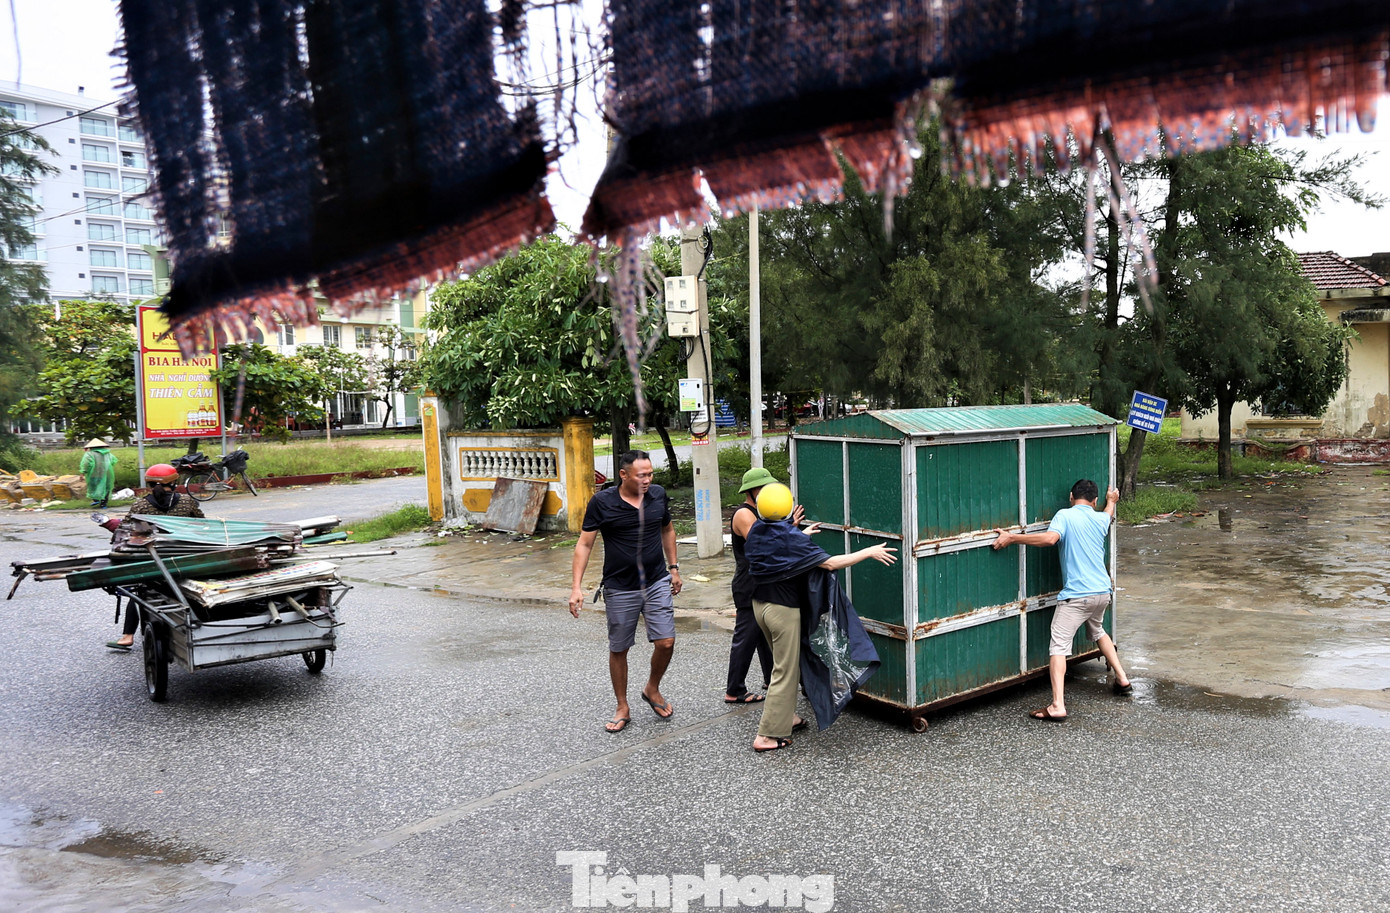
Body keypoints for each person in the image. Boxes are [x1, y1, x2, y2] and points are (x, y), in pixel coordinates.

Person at [745, 483, 897, 753]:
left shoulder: (757, 529)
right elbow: (829, 564)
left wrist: (800, 533)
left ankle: (785, 717)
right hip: (782, 610)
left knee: (784, 664)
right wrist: (868, 552)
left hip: (760, 605)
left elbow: (778, 543)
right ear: (787, 508)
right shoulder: (789, 537)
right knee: (785, 670)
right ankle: (767, 736)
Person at [992, 479, 1133, 722]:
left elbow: (1049, 539)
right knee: (1098, 630)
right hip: (1102, 592)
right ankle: (1122, 679)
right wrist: (1112, 502)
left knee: (1058, 646)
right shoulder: (1101, 519)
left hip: (1077, 596)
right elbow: (1108, 514)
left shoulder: (1065, 515)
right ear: (1095, 501)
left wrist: (1013, 538)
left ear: (1071, 496)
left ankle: (1058, 705)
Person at [569, 451, 682, 733]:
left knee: (666, 641)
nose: (647, 480)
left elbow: (667, 529)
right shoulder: (602, 503)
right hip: (620, 587)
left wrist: (674, 567)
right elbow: (584, 544)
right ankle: (622, 705)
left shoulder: (657, 495)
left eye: (650, 474)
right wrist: (576, 587)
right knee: (620, 648)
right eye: (641, 475)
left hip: (656, 581)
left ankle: (651, 688)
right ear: (623, 475)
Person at [105, 463, 205, 651]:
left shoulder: (140, 505)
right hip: (184, 558)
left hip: (152, 560)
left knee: (140, 592)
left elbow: (125, 533)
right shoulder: (187, 501)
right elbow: (202, 526)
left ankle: (127, 636)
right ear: (174, 483)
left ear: (150, 484)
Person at [723, 467, 778, 704]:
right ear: (752, 490)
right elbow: (763, 545)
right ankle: (734, 690)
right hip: (748, 584)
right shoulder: (744, 514)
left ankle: (770, 678)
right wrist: (791, 529)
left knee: (764, 634)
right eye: (763, 488)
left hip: (762, 582)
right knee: (746, 637)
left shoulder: (763, 512)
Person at [79, 438, 117, 508]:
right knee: (106, 488)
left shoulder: (89, 454)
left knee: (93, 486)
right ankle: (103, 504)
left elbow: (85, 464)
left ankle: (96, 499)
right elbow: (113, 461)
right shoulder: (108, 453)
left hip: (93, 474)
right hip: (106, 473)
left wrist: (83, 472)